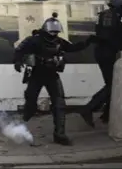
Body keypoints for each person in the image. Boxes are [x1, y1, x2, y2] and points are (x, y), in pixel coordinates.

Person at [13, 12, 95, 146]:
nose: (53, 34)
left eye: (56, 32)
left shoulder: (59, 42)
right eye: (51, 32)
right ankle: (29, 111)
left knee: (59, 104)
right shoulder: (34, 40)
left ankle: (60, 134)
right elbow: (20, 50)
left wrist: (86, 42)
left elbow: (72, 48)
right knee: (31, 100)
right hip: (37, 74)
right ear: (46, 30)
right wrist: (17, 62)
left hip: (52, 75)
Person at [79, 0, 122, 127]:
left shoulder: (112, 15)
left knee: (111, 84)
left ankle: (107, 114)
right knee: (112, 85)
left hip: (107, 52)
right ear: (119, 5)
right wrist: (120, 42)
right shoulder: (109, 16)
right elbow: (106, 36)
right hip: (105, 53)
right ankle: (88, 108)